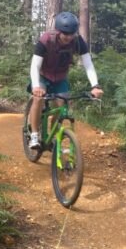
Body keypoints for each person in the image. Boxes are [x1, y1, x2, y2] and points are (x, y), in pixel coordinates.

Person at [28, 11, 104, 149]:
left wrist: (95, 85)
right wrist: (36, 86)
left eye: (72, 34)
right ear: (58, 31)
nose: (68, 37)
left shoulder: (78, 42)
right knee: (38, 99)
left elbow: (88, 64)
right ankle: (34, 134)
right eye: (65, 34)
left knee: (62, 106)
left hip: (60, 77)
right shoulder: (46, 39)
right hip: (42, 75)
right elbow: (35, 65)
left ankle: (53, 136)